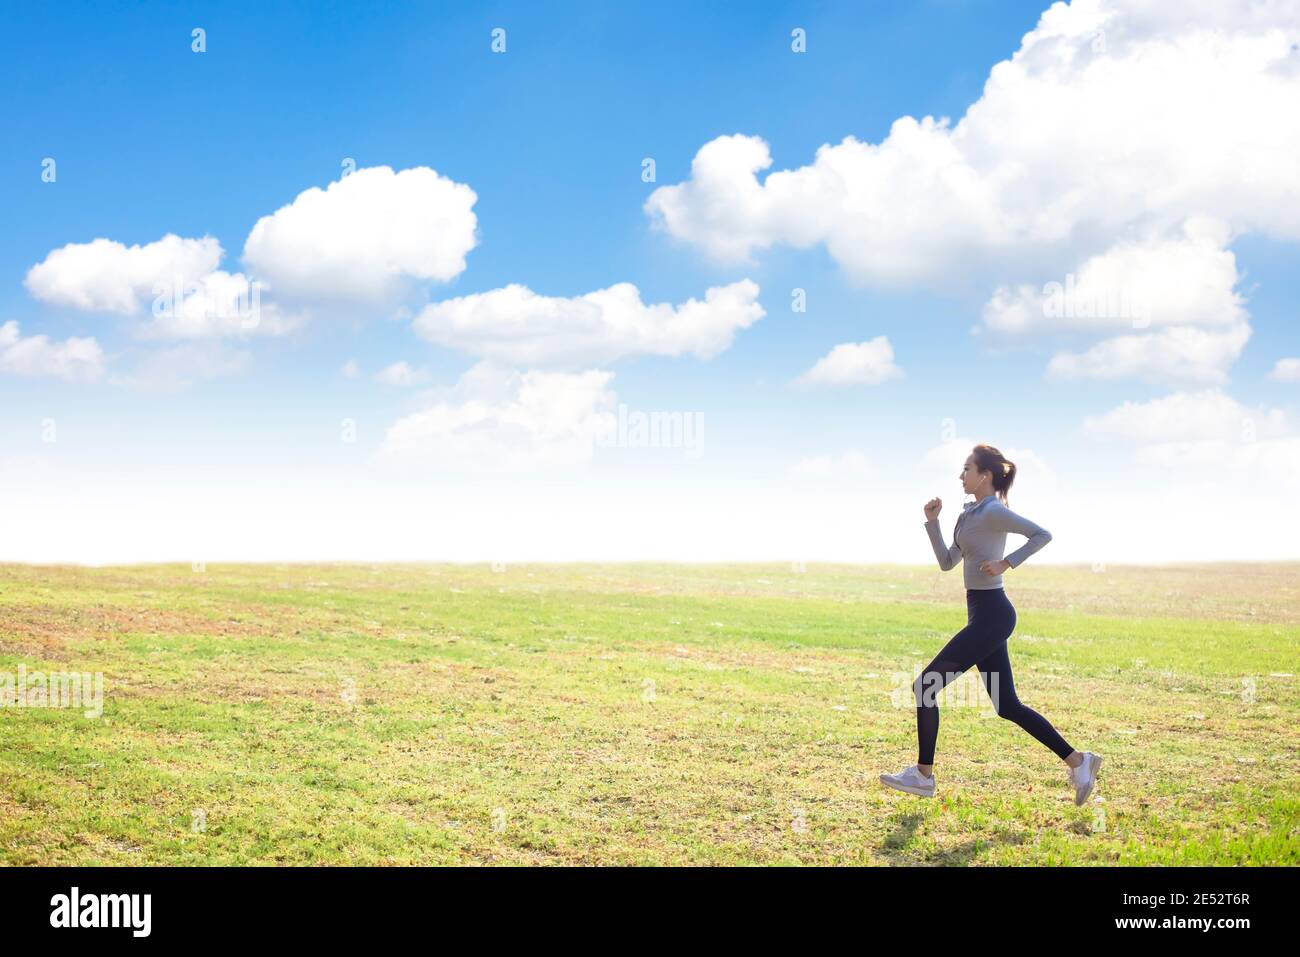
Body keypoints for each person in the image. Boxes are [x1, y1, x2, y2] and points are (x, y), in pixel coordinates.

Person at [879, 443, 1102, 805]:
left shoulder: (995, 511)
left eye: (967, 469)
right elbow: (947, 562)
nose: (961, 475)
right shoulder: (967, 515)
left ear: (985, 475)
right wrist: (933, 523)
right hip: (983, 615)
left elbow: (1042, 534)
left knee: (925, 687)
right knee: (1007, 706)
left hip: (994, 614)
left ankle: (922, 775)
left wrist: (1006, 563)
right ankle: (1079, 761)